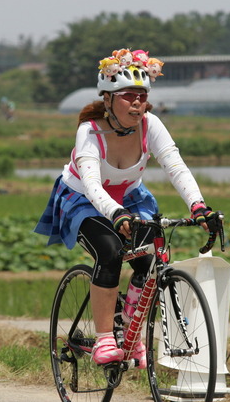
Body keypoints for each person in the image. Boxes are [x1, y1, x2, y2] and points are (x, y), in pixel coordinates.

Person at [34, 51, 219, 368]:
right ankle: (105, 339)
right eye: (128, 96)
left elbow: (175, 167)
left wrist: (199, 206)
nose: (137, 103)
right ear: (108, 99)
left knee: (150, 259)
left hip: (131, 197)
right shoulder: (90, 131)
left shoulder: (151, 125)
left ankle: (131, 337)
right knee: (109, 251)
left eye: (142, 96)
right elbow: (92, 185)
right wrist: (116, 214)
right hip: (82, 199)